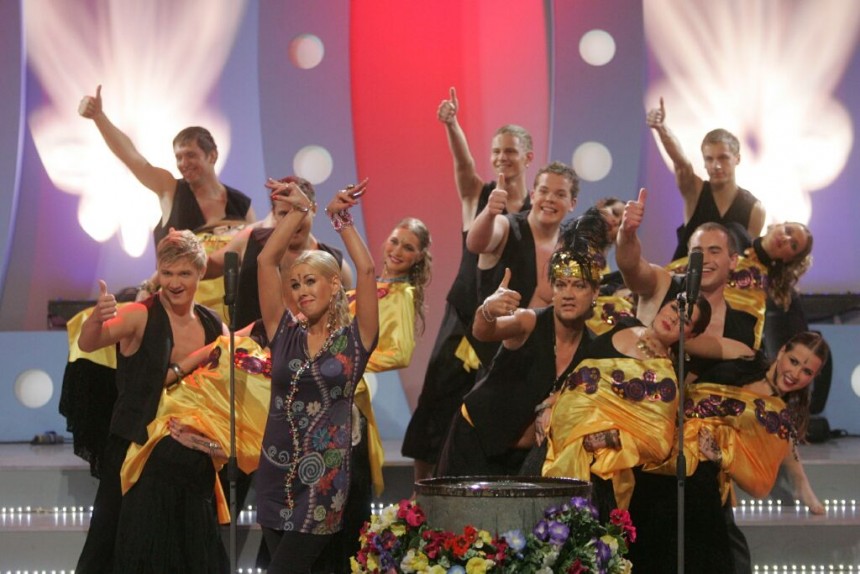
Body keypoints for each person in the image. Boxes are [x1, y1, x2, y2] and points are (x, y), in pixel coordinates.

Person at [74, 230, 227, 573]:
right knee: (116, 545)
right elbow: (89, 343)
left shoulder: (212, 323)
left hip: (188, 454)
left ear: (201, 273)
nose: (174, 282)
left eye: (184, 273)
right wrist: (96, 318)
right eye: (167, 272)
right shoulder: (139, 314)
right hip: (135, 446)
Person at [402, 86, 534, 482]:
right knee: (436, 402)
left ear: (528, 157)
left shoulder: (537, 212)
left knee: (490, 409)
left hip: (504, 326)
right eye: (496, 151)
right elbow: (463, 165)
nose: (501, 158)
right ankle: (421, 497)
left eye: (510, 151)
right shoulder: (478, 195)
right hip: (463, 317)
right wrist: (452, 124)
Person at [254, 178, 378, 574]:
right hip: (274, 476)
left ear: (334, 284)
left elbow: (367, 269)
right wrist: (298, 211)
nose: (301, 291)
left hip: (324, 482)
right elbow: (265, 261)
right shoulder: (283, 333)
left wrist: (341, 221)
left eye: (310, 281)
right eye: (294, 284)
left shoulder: (355, 341)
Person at [629, 332, 830, 574]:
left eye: (807, 372)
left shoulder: (778, 418)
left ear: (814, 378)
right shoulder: (743, 355)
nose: (795, 374)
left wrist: (720, 456)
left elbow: (759, 481)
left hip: (699, 472)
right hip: (659, 436)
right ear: (781, 351)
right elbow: (684, 342)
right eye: (793, 361)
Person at [435, 217, 600, 478]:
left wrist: (555, 402)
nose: (568, 294)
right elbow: (484, 332)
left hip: (523, 461)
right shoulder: (529, 321)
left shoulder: (593, 349)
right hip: (475, 439)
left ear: (595, 293)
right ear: (553, 290)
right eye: (561, 285)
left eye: (579, 286)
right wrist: (488, 310)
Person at [321, 216, 433, 573]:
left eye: (408, 247)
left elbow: (399, 352)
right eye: (395, 241)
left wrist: (348, 362)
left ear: (419, 257)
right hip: (328, 395)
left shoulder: (402, 294)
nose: (397, 250)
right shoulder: (369, 287)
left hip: (349, 400)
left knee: (346, 497)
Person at [542, 296, 710, 515]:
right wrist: (547, 406)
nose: (673, 318)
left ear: (691, 335)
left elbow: (657, 440)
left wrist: (609, 438)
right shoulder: (625, 324)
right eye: (673, 308)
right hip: (556, 432)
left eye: (685, 320)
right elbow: (577, 371)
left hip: (602, 464)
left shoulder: (667, 376)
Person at [78, 85, 256, 251]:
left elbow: (255, 256)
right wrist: (99, 117)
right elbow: (132, 158)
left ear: (212, 156)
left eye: (191, 155)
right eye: (179, 157)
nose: (183, 163)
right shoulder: (170, 189)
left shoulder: (241, 204)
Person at [205, 175, 354, 329]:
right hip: (249, 343)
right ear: (274, 213)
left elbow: (345, 319)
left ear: (313, 209)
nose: (293, 220)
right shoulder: (249, 241)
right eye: (284, 214)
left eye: (299, 210)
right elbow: (204, 268)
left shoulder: (336, 265)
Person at [646, 98, 766, 261]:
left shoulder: (755, 209)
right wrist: (661, 129)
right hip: (683, 275)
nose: (716, 165)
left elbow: (747, 261)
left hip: (728, 278)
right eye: (709, 159)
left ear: (737, 159)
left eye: (723, 158)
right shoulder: (694, 190)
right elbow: (681, 162)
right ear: (704, 162)